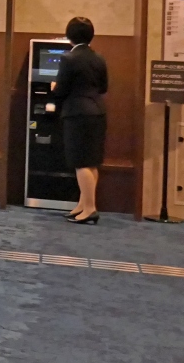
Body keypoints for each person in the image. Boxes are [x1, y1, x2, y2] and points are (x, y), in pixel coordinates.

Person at [51, 16, 108, 224]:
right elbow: (103, 87)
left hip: (77, 113)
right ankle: (83, 205)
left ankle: (90, 209)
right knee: (91, 162)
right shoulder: (99, 58)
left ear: (69, 35)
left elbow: (61, 89)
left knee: (80, 162)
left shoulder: (68, 58)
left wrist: (54, 87)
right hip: (98, 111)